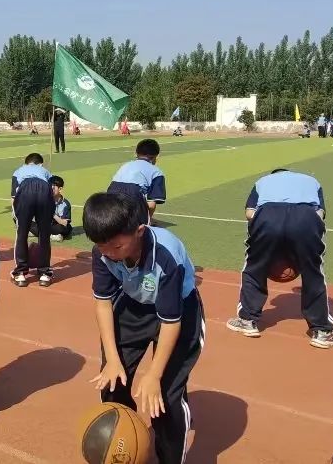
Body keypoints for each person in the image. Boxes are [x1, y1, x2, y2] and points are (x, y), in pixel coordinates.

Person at [85, 192, 204, 464]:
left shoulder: (166, 255)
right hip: (134, 305)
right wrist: (112, 360)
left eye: (116, 247)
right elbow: (103, 304)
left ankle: (170, 457)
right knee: (112, 382)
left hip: (179, 312)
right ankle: (125, 445)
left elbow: (171, 323)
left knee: (165, 397)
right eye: (101, 247)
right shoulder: (103, 252)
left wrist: (153, 374)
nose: (108, 255)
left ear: (139, 231)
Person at [227, 169, 333, 348]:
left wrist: (271, 242)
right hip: (305, 217)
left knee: (254, 267)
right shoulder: (312, 181)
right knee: (313, 272)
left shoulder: (262, 181)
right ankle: (322, 331)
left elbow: (250, 213)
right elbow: (320, 214)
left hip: (267, 216)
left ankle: (247, 320)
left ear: (275, 174)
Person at [10, 153, 54, 287]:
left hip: (25, 190)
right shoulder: (46, 172)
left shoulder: (18, 171)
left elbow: (13, 196)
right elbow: (51, 193)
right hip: (44, 191)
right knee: (44, 234)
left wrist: (15, 215)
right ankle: (44, 273)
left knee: (22, 234)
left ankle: (20, 274)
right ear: (40, 164)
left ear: (26, 163)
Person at [107, 138, 165, 222]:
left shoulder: (125, 165)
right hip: (133, 194)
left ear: (136, 154)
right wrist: (148, 220)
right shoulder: (156, 172)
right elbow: (151, 204)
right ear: (155, 156)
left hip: (110, 198)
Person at [49, 175, 72, 241]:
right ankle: (53, 235)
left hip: (59, 226)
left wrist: (52, 214)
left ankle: (48, 234)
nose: (51, 189)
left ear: (60, 189)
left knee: (66, 228)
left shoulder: (65, 204)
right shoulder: (45, 200)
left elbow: (64, 223)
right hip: (48, 225)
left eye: (54, 187)